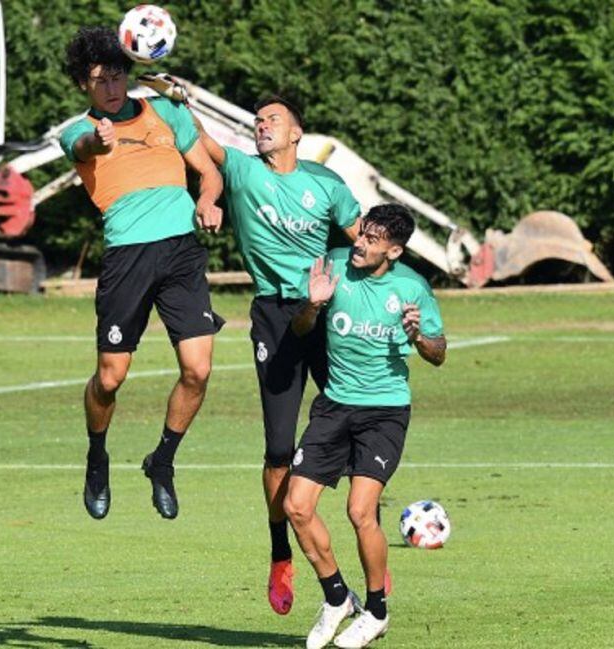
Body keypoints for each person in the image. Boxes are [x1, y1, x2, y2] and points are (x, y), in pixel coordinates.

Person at [192, 95, 362, 615]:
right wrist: (177, 101)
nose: (262, 126)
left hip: (329, 314)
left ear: (296, 134)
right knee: (278, 449)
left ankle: (369, 551)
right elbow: (199, 143)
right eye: (258, 120)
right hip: (275, 317)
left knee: (358, 427)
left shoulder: (326, 184)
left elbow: (366, 244)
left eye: (273, 120)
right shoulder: (243, 171)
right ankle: (279, 553)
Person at [62, 27, 224, 522]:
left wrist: (207, 198)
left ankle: (163, 462)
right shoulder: (77, 129)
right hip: (127, 257)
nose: (110, 86)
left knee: (198, 370)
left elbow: (210, 170)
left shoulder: (166, 111)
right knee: (110, 379)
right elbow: (84, 146)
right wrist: (98, 138)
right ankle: (97, 457)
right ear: (83, 86)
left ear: (127, 74)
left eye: (116, 76)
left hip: (180, 253)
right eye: (98, 79)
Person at [284, 203, 446, 649]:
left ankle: (376, 611)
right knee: (296, 506)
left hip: (385, 412)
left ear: (392, 251)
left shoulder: (412, 288)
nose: (360, 243)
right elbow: (299, 329)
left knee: (360, 511)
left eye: (372, 240)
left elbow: (439, 352)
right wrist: (312, 305)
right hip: (334, 406)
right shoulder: (333, 265)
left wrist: (417, 337)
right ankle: (337, 597)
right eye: (362, 234)